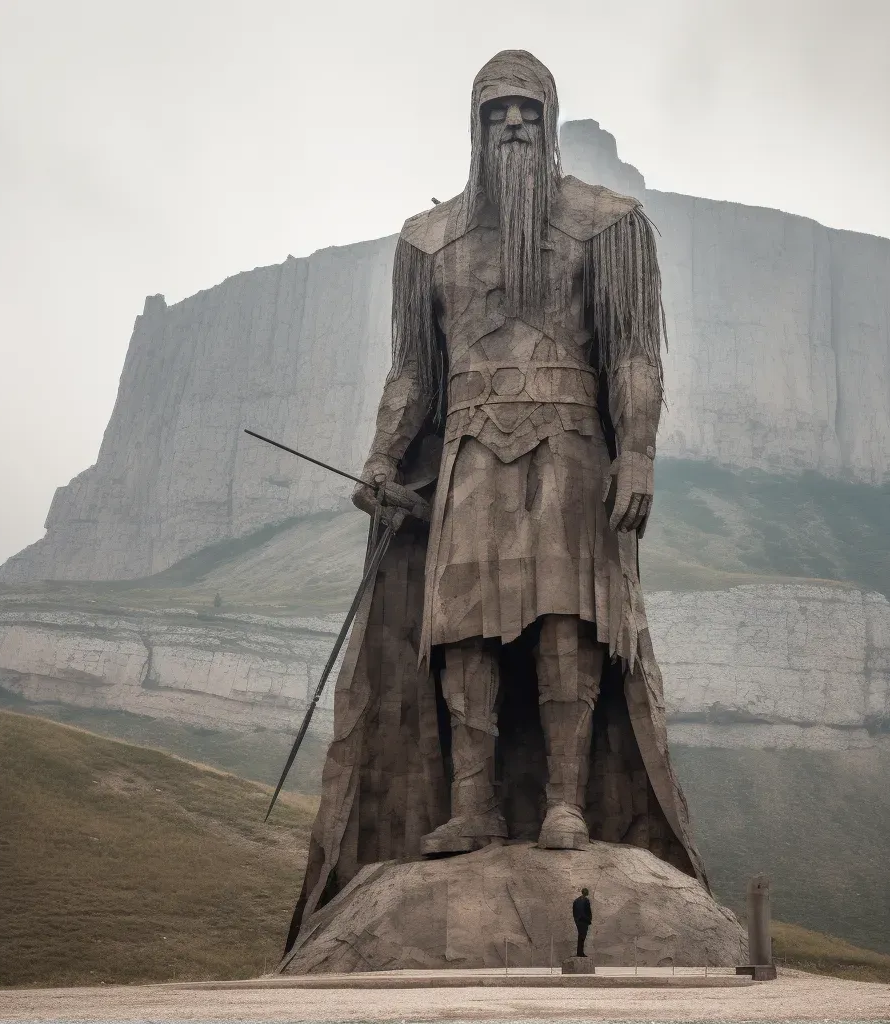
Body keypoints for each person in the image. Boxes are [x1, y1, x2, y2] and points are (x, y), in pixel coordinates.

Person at [284, 49, 709, 955]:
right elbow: (413, 371)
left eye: (525, 110)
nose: (511, 125)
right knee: (464, 626)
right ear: (473, 127)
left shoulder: (608, 225)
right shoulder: (428, 240)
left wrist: (637, 454)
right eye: (494, 113)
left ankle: (565, 799)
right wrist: (382, 454)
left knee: (568, 620)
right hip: (470, 445)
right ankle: (471, 803)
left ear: (549, 118)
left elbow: (635, 353)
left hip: (573, 441)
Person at [573, 887, 592, 957]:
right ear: (586, 892)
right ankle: (580, 953)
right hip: (584, 921)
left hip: (578, 921)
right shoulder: (586, 900)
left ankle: (579, 952)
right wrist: (589, 919)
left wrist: (576, 920)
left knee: (580, 936)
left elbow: (574, 912)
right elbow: (588, 911)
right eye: (587, 892)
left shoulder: (576, 900)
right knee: (582, 937)